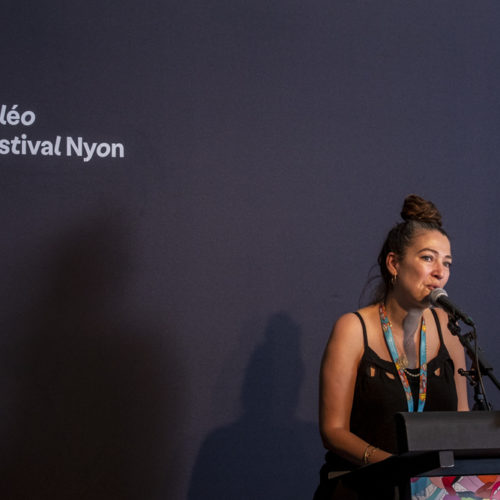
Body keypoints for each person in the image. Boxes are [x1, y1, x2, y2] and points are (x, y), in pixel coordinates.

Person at [314, 194, 469, 499]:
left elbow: (462, 420)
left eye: (447, 262)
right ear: (394, 263)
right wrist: (396, 468)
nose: (440, 271)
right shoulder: (353, 329)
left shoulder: (448, 328)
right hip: (365, 486)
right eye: (428, 258)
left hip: (431, 489)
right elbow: (333, 431)